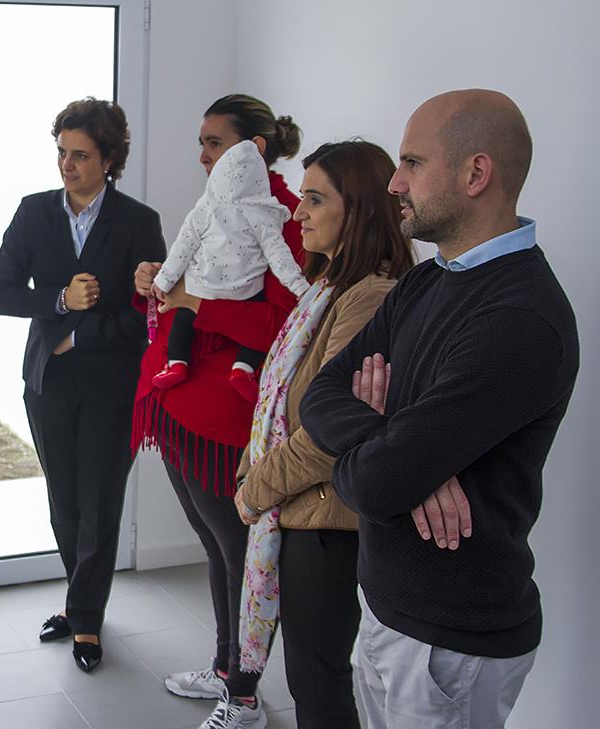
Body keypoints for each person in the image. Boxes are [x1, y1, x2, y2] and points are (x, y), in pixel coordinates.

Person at [301, 90, 579, 729]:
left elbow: (374, 485)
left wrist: (395, 466)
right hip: (387, 603)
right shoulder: (430, 279)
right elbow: (320, 393)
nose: (394, 182)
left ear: (475, 174)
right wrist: (399, 449)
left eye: (411, 163)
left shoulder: (519, 319)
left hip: (451, 639)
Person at [132, 94, 304, 729]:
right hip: (181, 402)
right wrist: (156, 282)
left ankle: (245, 692)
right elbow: (192, 291)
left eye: (213, 143)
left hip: (226, 415)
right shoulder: (221, 203)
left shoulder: (283, 217)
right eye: (201, 143)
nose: (202, 156)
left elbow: (287, 319)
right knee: (213, 541)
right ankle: (226, 665)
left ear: (251, 149)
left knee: (237, 549)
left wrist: (193, 303)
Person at [230, 140, 414, 729]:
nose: (297, 212)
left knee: (319, 682)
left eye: (314, 198)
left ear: (357, 208)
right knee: (312, 677)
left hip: (327, 522)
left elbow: (327, 431)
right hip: (303, 511)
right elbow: (277, 404)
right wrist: (252, 472)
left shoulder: (370, 297)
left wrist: (256, 488)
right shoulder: (330, 287)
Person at [0, 98, 165, 673]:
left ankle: (86, 620)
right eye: (61, 152)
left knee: (101, 503)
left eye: (81, 155)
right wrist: (61, 299)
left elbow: (149, 316)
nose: (67, 164)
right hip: (48, 384)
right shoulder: (33, 212)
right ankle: (79, 598)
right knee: (64, 501)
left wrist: (79, 335)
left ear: (109, 159)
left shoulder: (140, 222)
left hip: (115, 384)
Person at [149, 139, 309, 399]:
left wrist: (164, 281)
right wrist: (301, 288)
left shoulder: (203, 211)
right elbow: (281, 258)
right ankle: (243, 368)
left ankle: (177, 363)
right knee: (253, 332)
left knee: (183, 318)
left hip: (202, 288)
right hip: (246, 293)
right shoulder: (264, 215)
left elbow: (182, 249)